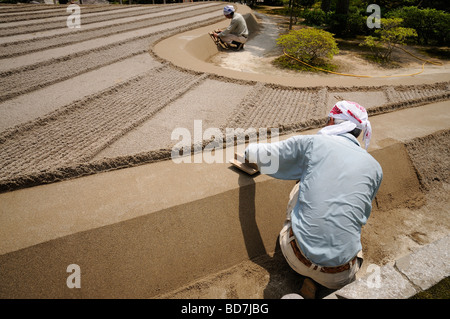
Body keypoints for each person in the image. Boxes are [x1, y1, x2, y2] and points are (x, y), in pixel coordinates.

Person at [244, 100, 383, 298]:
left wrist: (247, 152)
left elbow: (258, 154)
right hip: (341, 274)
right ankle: (320, 282)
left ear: (334, 120)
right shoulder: (375, 168)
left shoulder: (313, 143)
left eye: (328, 119)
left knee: (303, 183)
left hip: (297, 259)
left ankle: (308, 272)